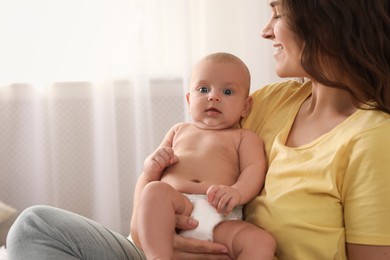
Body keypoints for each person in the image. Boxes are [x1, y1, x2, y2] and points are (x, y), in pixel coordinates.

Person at [6, 0, 390, 259]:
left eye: (277, 12)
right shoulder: (272, 101)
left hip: (231, 247)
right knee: (35, 225)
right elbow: (158, 192)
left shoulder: (372, 140)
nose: (265, 31)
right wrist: (158, 229)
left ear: (328, 19)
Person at [130, 52, 275, 260]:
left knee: (262, 242)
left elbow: (254, 169)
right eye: (203, 89)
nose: (213, 96)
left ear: (245, 107)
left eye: (227, 91)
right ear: (189, 101)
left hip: (221, 216)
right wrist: (153, 163)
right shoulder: (178, 130)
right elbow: (151, 172)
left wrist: (237, 192)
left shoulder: (244, 137)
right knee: (154, 190)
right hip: (176, 207)